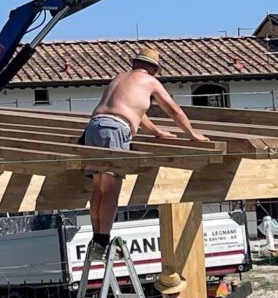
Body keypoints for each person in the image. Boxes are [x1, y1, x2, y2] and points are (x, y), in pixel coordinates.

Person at [77, 47, 208, 243]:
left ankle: (97, 236)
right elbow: (174, 110)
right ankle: (103, 239)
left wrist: (157, 132)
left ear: (134, 64)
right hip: (114, 129)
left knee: (98, 187)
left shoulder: (120, 78)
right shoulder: (150, 81)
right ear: (154, 69)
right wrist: (192, 134)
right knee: (111, 187)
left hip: (93, 127)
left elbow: (138, 114)